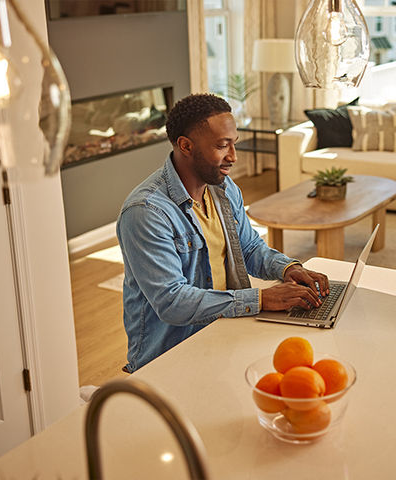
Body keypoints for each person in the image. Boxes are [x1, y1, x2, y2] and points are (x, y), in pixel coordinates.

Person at [117, 93, 330, 372]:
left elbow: (250, 248)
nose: (233, 157)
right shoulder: (145, 212)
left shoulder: (224, 189)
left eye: (234, 144)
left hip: (225, 332)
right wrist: (263, 299)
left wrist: (288, 269)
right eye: (222, 146)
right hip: (171, 357)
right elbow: (172, 302)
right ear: (186, 146)